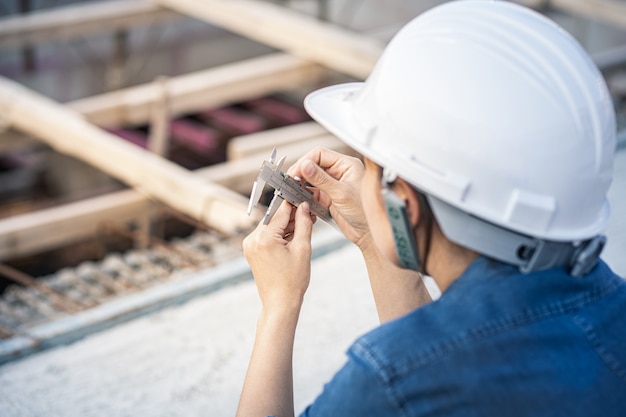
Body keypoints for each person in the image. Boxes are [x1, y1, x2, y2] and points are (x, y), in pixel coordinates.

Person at [236, 1, 626, 416]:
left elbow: (421, 369)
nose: (362, 181)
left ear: (404, 201)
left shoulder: (390, 381)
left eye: (368, 166)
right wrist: (375, 239)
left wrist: (279, 304)